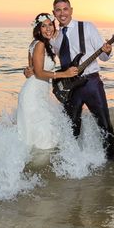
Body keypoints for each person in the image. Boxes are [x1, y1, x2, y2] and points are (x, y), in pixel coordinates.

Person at [51, 0, 114, 160]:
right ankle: (74, 164)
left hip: (91, 84)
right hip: (70, 88)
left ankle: (112, 162)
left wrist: (107, 50)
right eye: (58, 10)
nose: (62, 13)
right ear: (54, 13)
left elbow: (103, 57)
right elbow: (48, 61)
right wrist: (32, 68)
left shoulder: (87, 27)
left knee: (104, 123)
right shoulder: (55, 38)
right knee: (72, 128)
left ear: (71, 10)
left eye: (65, 9)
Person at [17, 13, 78, 151]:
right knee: (41, 136)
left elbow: (31, 70)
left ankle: (32, 167)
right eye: (43, 26)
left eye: (50, 24)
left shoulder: (37, 44)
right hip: (33, 96)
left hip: (35, 93)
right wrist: (65, 74)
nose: (48, 28)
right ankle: (41, 167)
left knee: (34, 136)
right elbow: (38, 72)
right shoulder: (39, 45)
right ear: (38, 29)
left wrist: (27, 71)